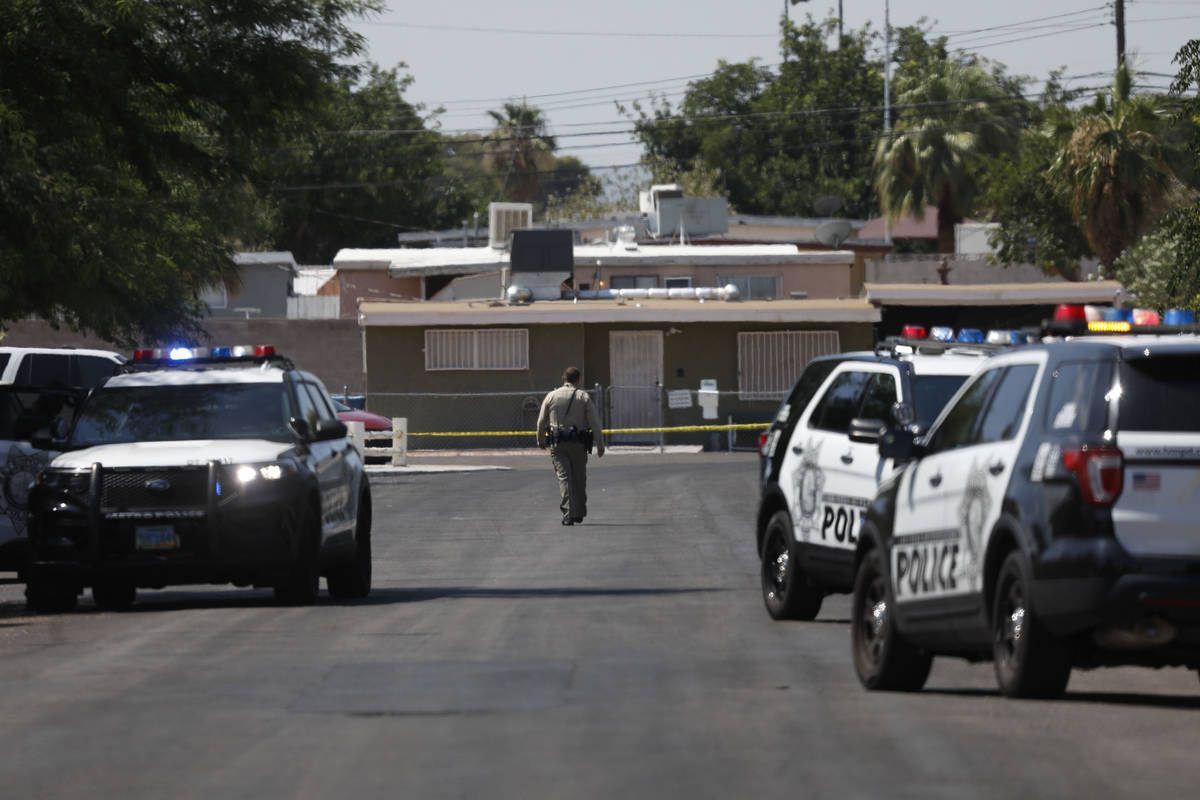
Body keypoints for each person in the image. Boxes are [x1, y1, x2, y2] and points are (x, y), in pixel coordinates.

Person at [537, 366, 604, 525]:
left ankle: (568, 513)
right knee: (579, 478)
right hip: (579, 443)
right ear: (578, 380)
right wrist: (600, 444)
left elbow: (541, 421)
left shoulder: (551, 396)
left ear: (563, 379)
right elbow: (594, 423)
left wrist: (540, 440)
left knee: (564, 478)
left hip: (558, 443)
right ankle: (579, 513)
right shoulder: (583, 397)